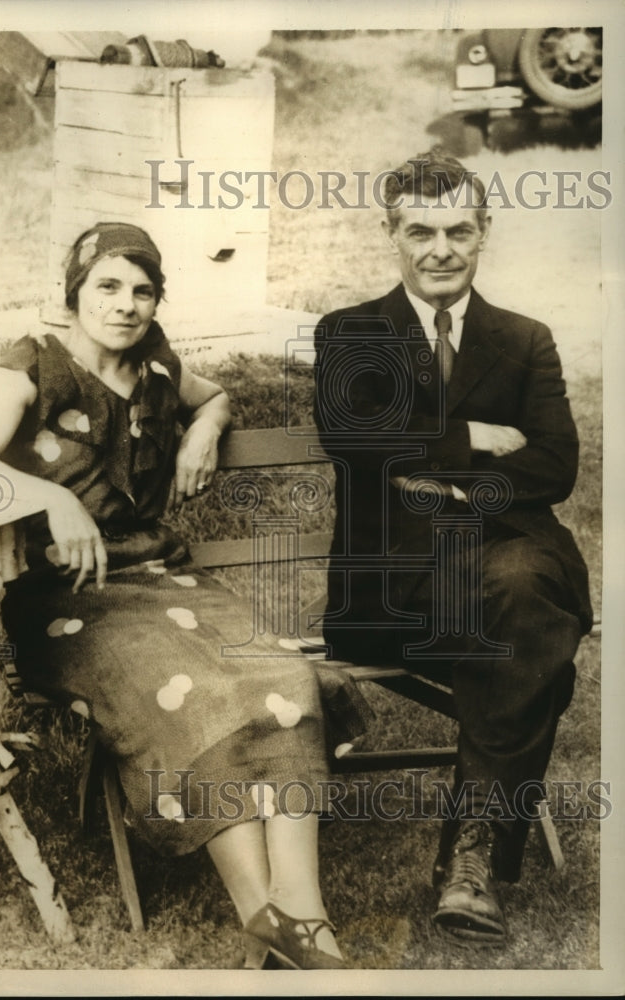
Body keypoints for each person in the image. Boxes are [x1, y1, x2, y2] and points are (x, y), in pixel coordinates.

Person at [0, 221, 355, 970]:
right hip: (70, 599)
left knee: (284, 673)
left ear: (157, 301)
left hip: (168, 579)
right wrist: (51, 499)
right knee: (192, 690)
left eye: (142, 290)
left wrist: (206, 428)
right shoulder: (29, 368)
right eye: (107, 286)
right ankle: (261, 913)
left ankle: (301, 913)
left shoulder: (158, 365)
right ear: (74, 293)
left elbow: (215, 395)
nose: (125, 305)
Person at [312, 150, 592, 945]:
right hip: (392, 590)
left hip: (508, 561)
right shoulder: (352, 332)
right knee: (531, 630)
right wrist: (472, 435)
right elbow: (354, 436)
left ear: (483, 232)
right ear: (391, 233)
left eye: (458, 231)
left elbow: (554, 464)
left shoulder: (523, 339)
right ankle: (475, 852)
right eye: (421, 231)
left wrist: (446, 482)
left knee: (519, 593)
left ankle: (469, 860)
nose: (440, 249)